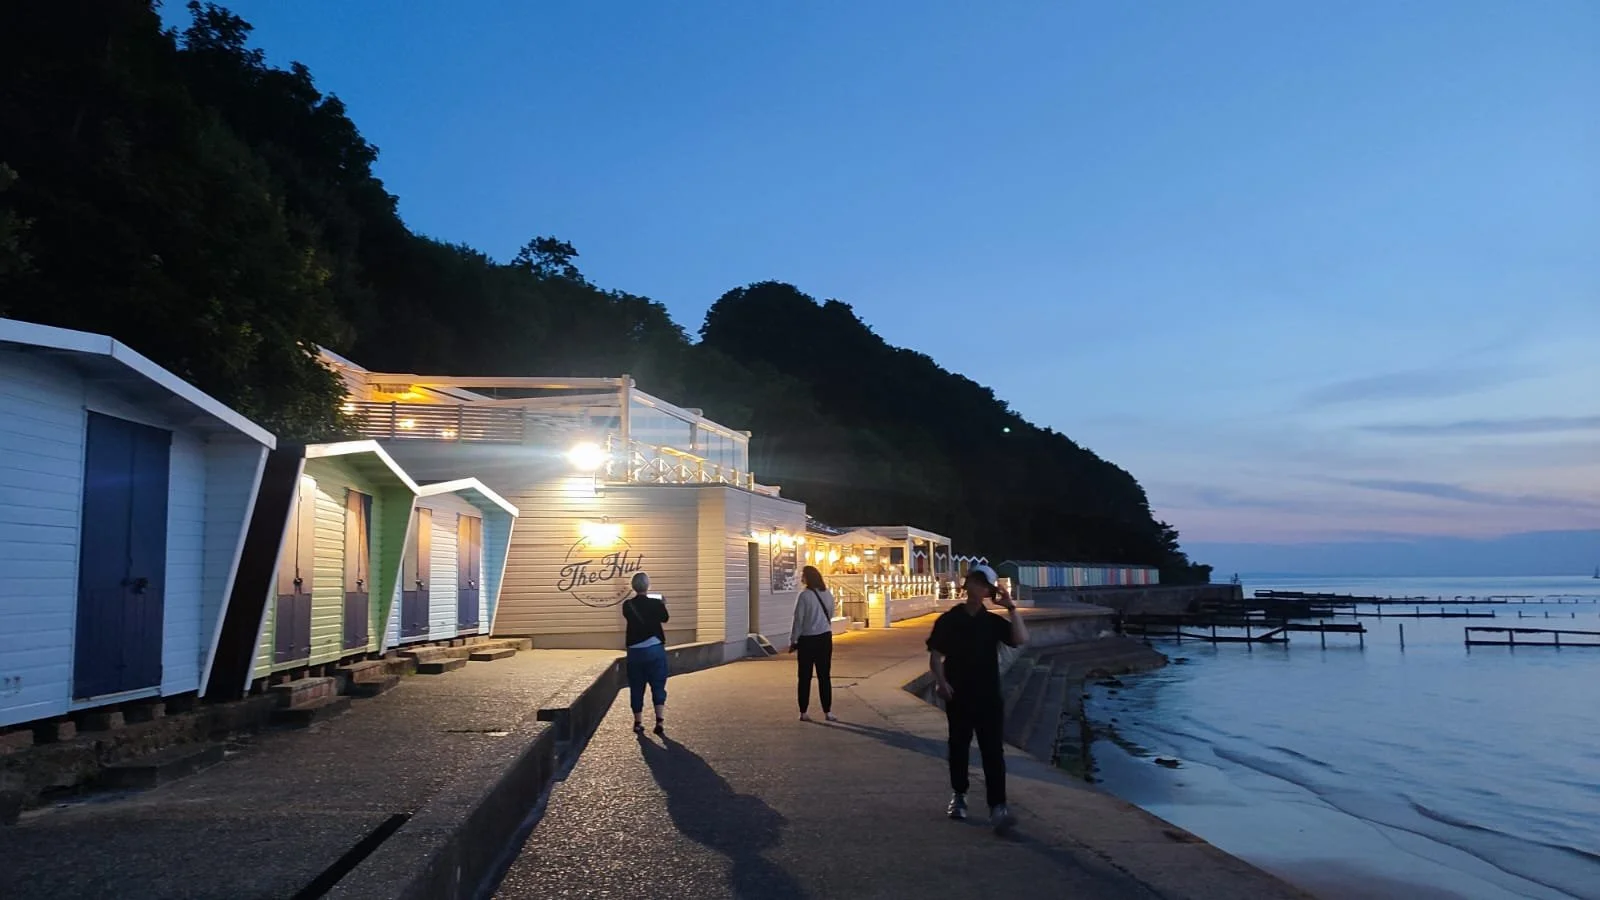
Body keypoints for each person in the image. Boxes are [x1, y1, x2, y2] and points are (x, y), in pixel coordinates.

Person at [926, 563, 1029, 834]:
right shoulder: (949, 620)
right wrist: (941, 682)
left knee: (993, 751)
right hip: (958, 694)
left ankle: (998, 806)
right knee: (958, 747)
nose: (978, 587)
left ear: (988, 591)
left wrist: (1011, 607)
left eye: (984, 584)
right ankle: (959, 795)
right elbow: (935, 655)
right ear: (967, 583)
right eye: (974, 581)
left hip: (989, 695)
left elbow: (1020, 639)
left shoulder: (993, 622)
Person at [788, 565, 838, 722]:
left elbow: (798, 620)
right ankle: (828, 711)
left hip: (807, 640)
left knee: (804, 676)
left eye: (803, 575)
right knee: (824, 676)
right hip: (825, 638)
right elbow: (831, 613)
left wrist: (793, 640)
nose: (801, 578)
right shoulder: (828, 594)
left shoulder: (804, 596)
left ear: (808, 578)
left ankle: (803, 712)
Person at [622, 572, 670, 735]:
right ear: (648, 586)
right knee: (658, 683)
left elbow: (629, 617)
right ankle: (659, 721)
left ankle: (637, 722)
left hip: (635, 651)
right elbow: (665, 618)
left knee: (636, 685)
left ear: (633, 587)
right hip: (654, 648)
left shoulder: (628, 605)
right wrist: (662, 604)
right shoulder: (656, 604)